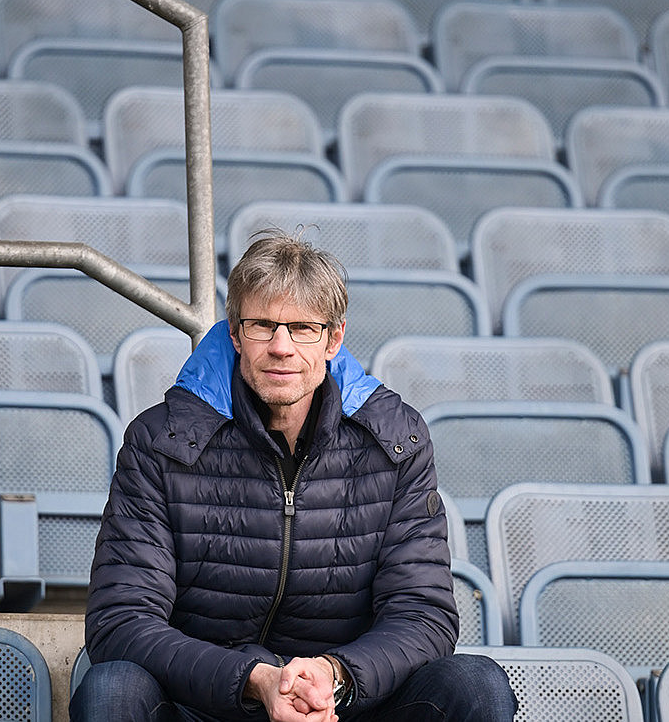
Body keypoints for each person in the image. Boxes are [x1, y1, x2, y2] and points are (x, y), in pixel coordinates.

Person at [72, 230, 517, 721]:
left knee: (477, 685)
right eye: (262, 325)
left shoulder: (395, 440)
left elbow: (423, 614)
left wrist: (334, 674)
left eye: (303, 328)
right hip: (209, 701)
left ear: (334, 338)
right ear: (236, 333)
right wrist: (256, 681)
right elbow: (121, 620)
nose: (281, 347)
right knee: (112, 687)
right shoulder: (161, 442)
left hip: (339, 703)